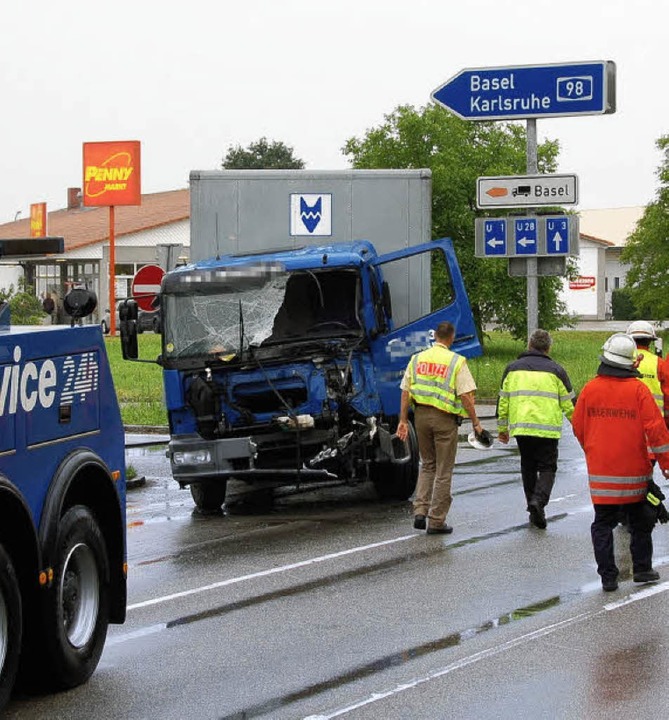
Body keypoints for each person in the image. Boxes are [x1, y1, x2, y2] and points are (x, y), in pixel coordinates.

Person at [572, 333, 669, 592]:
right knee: (640, 520)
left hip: (601, 474)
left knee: (602, 523)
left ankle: (608, 577)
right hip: (634, 471)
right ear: (629, 363)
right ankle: (643, 569)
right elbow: (657, 431)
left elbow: (579, 427)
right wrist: (665, 463)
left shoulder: (590, 389)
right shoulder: (638, 390)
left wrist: (593, 450)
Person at [396, 321, 483, 535]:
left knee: (427, 465)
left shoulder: (417, 359)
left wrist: (402, 421)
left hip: (421, 417)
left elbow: (405, 391)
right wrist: (476, 423)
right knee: (444, 470)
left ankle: (420, 511)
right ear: (451, 338)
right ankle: (436, 520)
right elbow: (465, 396)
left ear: (434, 336)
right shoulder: (456, 361)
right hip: (444, 419)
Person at [497, 329, 575, 529]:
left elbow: (503, 400)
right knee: (548, 467)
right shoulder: (557, 370)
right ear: (548, 348)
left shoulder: (512, 369)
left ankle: (532, 505)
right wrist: (579, 427)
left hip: (521, 428)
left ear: (529, 345)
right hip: (547, 429)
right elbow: (569, 404)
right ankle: (538, 502)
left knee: (528, 466)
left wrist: (502, 428)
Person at [626, 320, 669, 428]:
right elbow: (667, 394)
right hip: (655, 423)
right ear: (650, 341)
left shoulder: (620, 360)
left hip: (627, 421)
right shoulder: (660, 364)